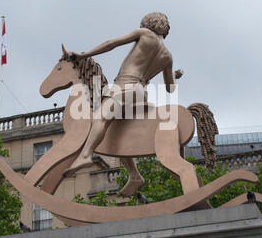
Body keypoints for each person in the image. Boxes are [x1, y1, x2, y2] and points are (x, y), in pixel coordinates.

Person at [63, 12, 183, 175]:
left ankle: (85, 155)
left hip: (125, 85)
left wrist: (84, 55)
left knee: (100, 117)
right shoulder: (168, 56)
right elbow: (170, 88)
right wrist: (174, 77)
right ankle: (134, 176)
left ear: (148, 22)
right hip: (141, 92)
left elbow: (111, 43)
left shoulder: (144, 34)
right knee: (117, 130)